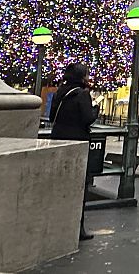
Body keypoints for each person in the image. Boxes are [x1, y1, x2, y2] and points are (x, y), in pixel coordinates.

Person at [49, 62, 97, 241]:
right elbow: (87, 119)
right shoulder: (82, 95)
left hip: (58, 139)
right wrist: (95, 111)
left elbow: (52, 116)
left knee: (59, 183)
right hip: (77, 142)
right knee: (78, 186)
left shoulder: (59, 93)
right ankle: (78, 227)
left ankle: (56, 223)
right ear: (81, 76)